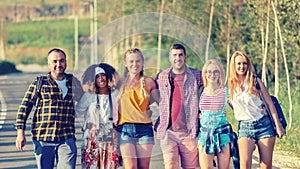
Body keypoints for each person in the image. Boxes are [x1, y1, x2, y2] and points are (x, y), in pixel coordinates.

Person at [15, 48, 84, 169]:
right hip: (43, 139)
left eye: (61, 61)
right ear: (49, 64)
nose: (59, 64)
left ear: (66, 62)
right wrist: (20, 133)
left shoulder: (73, 82)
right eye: (55, 61)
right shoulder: (40, 83)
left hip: (67, 138)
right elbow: (24, 108)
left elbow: (86, 104)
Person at [227, 51, 285, 169]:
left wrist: (278, 126)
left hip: (264, 125)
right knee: (244, 164)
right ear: (233, 65)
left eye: (244, 63)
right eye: (238, 64)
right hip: (245, 127)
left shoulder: (255, 81)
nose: (241, 67)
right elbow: (230, 103)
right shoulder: (229, 84)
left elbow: (269, 103)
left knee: (265, 165)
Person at [155, 43, 202, 169]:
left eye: (180, 55)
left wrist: (203, 111)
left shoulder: (197, 75)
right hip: (168, 132)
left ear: (185, 57)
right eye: (174, 55)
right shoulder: (162, 77)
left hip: (189, 132)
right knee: (170, 165)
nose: (178, 58)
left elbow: (213, 84)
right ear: (170, 58)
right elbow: (150, 92)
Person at [117, 48, 158, 169]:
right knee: (131, 167)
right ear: (125, 63)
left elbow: (162, 102)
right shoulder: (119, 82)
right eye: (131, 61)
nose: (135, 64)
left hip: (144, 129)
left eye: (138, 61)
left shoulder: (149, 82)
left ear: (143, 62)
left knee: (144, 167)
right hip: (124, 129)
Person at [76, 63, 120, 169]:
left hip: (110, 137)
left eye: (103, 75)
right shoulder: (89, 96)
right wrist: (86, 124)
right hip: (92, 137)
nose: (101, 79)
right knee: (92, 166)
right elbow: (77, 111)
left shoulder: (115, 94)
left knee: (110, 166)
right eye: (97, 77)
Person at [198, 59, 239, 169]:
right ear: (205, 73)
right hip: (205, 135)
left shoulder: (226, 91)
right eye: (209, 72)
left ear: (220, 73)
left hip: (222, 134)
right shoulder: (200, 91)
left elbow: (239, 108)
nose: (212, 75)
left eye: (216, 72)